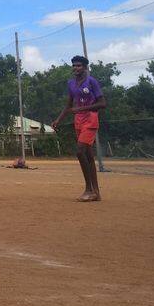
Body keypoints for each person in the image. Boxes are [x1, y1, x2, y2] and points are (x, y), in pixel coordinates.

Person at [50, 55, 106, 202]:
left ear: (85, 67)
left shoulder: (91, 82)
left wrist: (82, 108)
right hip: (78, 121)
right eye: (74, 65)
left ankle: (88, 189)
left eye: (79, 65)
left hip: (90, 119)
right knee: (88, 156)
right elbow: (69, 104)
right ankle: (96, 193)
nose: (76, 68)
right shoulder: (71, 83)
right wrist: (58, 119)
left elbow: (102, 103)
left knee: (80, 151)